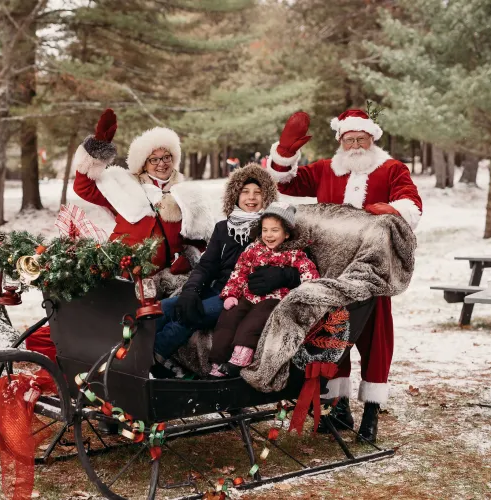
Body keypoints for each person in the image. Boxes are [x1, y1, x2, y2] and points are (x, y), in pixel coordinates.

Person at [264, 109, 423, 442]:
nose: (354, 145)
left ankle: (371, 413)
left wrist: (394, 210)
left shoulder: (391, 168)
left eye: (360, 139)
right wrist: (286, 150)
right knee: (333, 336)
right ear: (340, 141)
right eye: (348, 139)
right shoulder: (326, 169)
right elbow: (283, 182)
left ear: (371, 139)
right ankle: (339, 407)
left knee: (374, 341)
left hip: (372, 271)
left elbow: (412, 202)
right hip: (331, 273)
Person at [153, 165, 301, 376]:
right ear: (235, 194)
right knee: (163, 308)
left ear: (266, 196)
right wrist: (191, 290)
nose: (251, 197)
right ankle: (132, 350)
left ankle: (152, 358)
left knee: (191, 316)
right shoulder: (224, 227)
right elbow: (207, 265)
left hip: (241, 296)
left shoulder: (273, 229)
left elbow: (300, 264)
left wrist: (284, 275)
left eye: (258, 193)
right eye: (245, 191)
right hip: (217, 288)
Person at [73, 109, 214, 274]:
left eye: (166, 157)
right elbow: (83, 188)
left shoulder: (188, 194)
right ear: (143, 164)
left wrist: (190, 258)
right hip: (122, 271)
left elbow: (199, 239)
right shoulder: (124, 185)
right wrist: (97, 148)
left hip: (164, 278)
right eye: (154, 159)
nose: (161, 163)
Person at [208, 202, 319, 378]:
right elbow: (239, 272)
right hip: (249, 296)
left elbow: (311, 276)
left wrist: (291, 279)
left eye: (275, 230)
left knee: (254, 321)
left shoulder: (295, 254)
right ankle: (217, 361)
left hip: (273, 300)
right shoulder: (253, 249)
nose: (268, 235)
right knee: (229, 317)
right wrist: (231, 294)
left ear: (287, 233)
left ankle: (240, 357)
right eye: (265, 230)